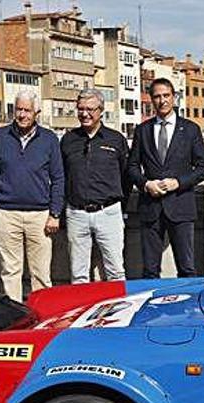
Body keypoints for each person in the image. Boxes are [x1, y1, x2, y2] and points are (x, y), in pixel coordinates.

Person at [0, 90, 64, 301]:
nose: (22, 115)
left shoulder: (49, 139)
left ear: (36, 112)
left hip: (40, 215)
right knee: (10, 272)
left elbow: (58, 179)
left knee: (41, 274)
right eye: (18, 109)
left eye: (27, 110)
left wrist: (55, 213)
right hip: (6, 214)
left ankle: (42, 318)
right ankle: (15, 319)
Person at [128, 78, 204, 278]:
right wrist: (146, 184)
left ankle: (189, 308)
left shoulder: (190, 129)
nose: (162, 100)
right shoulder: (143, 130)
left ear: (174, 97)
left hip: (181, 206)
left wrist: (178, 183)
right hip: (150, 208)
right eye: (157, 96)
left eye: (166, 95)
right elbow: (131, 167)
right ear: (151, 100)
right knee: (149, 271)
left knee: (187, 268)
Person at [60, 89, 131, 283]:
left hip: (109, 213)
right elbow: (62, 176)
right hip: (76, 214)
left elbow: (126, 177)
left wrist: (119, 207)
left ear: (101, 110)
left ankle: (119, 312)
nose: (84, 114)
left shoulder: (116, 139)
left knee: (116, 271)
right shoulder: (68, 139)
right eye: (80, 109)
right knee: (78, 274)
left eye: (90, 109)